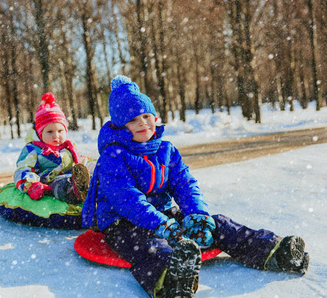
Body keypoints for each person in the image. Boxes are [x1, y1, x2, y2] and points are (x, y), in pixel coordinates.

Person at [82, 75, 309, 298]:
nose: (142, 123)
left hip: (162, 214)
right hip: (123, 222)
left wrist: (196, 214)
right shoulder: (114, 155)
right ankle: (171, 279)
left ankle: (275, 252)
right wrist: (161, 224)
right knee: (148, 244)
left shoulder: (166, 149)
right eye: (132, 120)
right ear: (121, 127)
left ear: (155, 118)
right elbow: (126, 199)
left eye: (146, 115)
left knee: (218, 224)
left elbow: (184, 183)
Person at [14, 92, 90, 205]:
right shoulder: (34, 150)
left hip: (73, 175)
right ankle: (76, 191)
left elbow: (82, 161)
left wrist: (99, 165)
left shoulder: (69, 147)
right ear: (40, 134)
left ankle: (95, 187)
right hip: (49, 183)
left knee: (92, 175)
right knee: (62, 186)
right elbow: (23, 170)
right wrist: (31, 185)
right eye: (50, 132)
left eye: (60, 131)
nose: (56, 136)